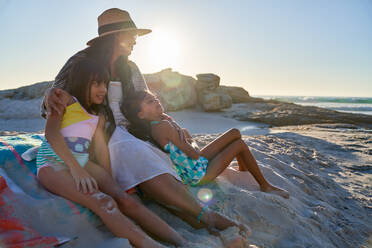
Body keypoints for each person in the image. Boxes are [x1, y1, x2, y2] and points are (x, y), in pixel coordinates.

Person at [44, 8, 250, 246]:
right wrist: (50, 93)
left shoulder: (129, 68)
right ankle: (204, 217)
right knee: (132, 151)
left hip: (132, 130)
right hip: (101, 133)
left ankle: (200, 217)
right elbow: (56, 95)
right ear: (115, 36)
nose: (135, 41)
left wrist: (171, 123)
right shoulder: (82, 63)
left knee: (152, 155)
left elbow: (145, 100)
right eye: (131, 35)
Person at [37, 58, 183, 248]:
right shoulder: (64, 98)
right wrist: (76, 169)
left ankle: (181, 240)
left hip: (83, 162)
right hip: (54, 161)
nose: (103, 89)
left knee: (124, 199)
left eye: (105, 84)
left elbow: (101, 150)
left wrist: (110, 183)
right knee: (104, 201)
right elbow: (51, 133)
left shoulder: (98, 115)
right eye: (97, 83)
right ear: (82, 80)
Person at [121, 90, 290, 198]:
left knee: (234, 133)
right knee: (238, 143)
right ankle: (265, 185)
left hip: (193, 165)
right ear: (141, 115)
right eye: (150, 102)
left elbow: (185, 147)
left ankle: (244, 170)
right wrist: (189, 139)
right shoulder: (163, 126)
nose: (157, 101)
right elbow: (196, 154)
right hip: (196, 173)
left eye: (155, 98)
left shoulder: (159, 123)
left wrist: (184, 137)